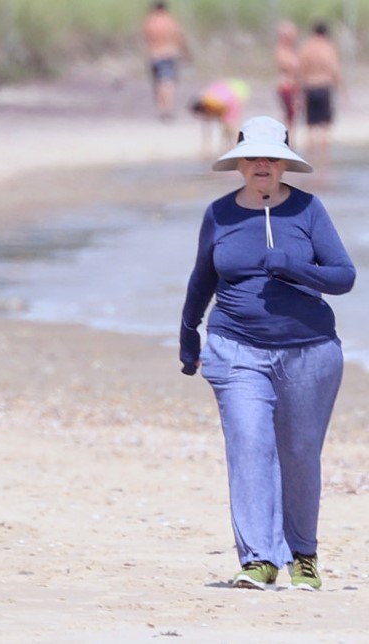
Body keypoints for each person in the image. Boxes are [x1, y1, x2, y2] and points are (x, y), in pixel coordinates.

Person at [179, 116, 355, 591]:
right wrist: (188, 333)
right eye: (253, 156)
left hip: (309, 351)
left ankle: (303, 556)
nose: (262, 164)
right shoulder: (219, 214)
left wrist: (296, 267)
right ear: (239, 162)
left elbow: (344, 276)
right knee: (250, 446)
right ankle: (258, 558)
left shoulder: (309, 210)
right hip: (235, 348)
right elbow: (202, 278)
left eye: (271, 157)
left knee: (299, 454)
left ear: (284, 165)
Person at [298, 22, 341, 164]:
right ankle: (324, 162)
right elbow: (334, 69)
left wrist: (299, 92)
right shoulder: (328, 48)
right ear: (325, 34)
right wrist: (339, 88)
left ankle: (310, 161)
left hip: (309, 87)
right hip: (324, 87)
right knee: (325, 127)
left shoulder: (306, 48)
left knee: (310, 126)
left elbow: (301, 70)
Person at [142, 1, 191, 120]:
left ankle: (161, 109)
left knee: (158, 83)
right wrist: (187, 54)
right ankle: (168, 109)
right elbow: (180, 38)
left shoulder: (150, 22)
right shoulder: (171, 21)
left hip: (154, 55)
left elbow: (146, 39)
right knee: (168, 82)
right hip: (170, 54)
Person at [188, 78, 250, 158]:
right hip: (229, 94)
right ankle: (229, 148)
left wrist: (206, 149)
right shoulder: (206, 99)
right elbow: (207, 128)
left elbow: (221, 123)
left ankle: (238, 148)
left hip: (231, 101)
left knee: (230, 128)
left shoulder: (213, 104)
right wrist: (206, 149)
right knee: (226, 128)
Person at [274, 20, 300, 139]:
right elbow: (288, 66)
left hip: (293, 85)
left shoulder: (291, 50)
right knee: (290, 113)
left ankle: (290, 136)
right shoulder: (281, 50)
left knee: (293, 115)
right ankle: (287, 137)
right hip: (286, 85)